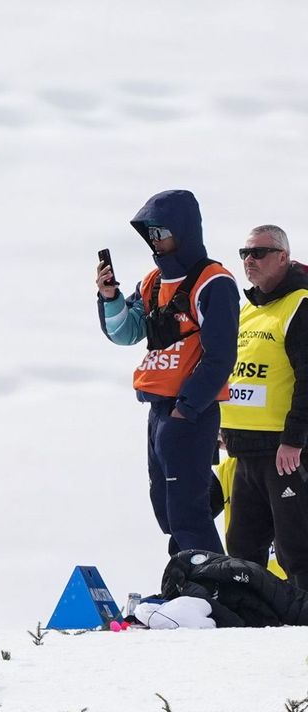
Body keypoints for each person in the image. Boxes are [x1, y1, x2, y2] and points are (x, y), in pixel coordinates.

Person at [97, 189, 238, 556]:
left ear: (184, 230)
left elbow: (221, 356)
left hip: (189, 410)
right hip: (158, 409)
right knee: (167, 510)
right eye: (151, 234)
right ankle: (188, 575)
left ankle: (211, 583)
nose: (155, 240)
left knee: (187, 513)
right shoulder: (153, 282)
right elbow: (125, 332)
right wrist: (110, 297)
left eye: (162, 232)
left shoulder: (214, 282)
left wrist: (186, 409)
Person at [219, 224, 308, 587]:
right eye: (245, 254)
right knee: (242, 549)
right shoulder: (249, 310)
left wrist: (294, 439)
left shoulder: (299, 305)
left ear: (283, 257)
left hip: (284, 453)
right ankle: (250, 616)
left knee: (296, 549)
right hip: (245, 450)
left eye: (258, 253)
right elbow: (239, 374)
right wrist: (225, 427)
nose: (249, 260)